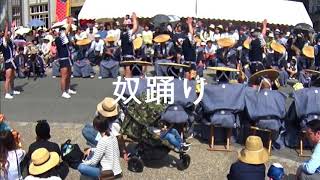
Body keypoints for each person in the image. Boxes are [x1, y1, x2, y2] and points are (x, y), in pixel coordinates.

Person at [0, 21, 21, 99]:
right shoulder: (3, 42)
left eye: (9, 35)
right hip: (8, 62)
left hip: (12, 61)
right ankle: (7, 93)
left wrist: (12, 27)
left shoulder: (10, 42)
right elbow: (5, 36)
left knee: (12, 77)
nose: (9, 35)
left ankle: (12, 90)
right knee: (8, 78)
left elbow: (12, 34)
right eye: (7, 35)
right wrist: (6, 26)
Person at [55, 26, 77, 99]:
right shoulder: (58, 39)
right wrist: (70, 23)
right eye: (63, 31)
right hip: (63, 59)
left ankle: (68, 89)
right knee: (64, 76)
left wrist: (70, 27)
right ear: (60, 32)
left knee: (69, 75)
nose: (64, 33)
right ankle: (63, 92)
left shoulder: (65, 39)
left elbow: (69, 32)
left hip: (68, 58)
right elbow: (67, 32)